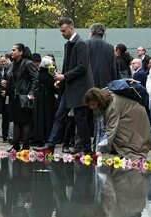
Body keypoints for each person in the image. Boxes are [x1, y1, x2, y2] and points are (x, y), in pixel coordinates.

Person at [38, 17, 94, 154]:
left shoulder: (80, 44)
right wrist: (61, 78)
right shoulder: (72, 43)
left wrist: (64, 76)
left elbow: (82, 67)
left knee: (79, 118)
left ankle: (87, 148)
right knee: (60, 115)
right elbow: (73, 67)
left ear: (71, 28)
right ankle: (50, 145)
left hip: (79, 88)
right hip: (70, 87)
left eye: (63, 31)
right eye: (61, 31)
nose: (62, 33)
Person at [84, 87, 151, 160]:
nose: (91, 107)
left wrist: (101, 150)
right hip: (132, 116)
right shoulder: (108, 98)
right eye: (89, 105)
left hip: (135, 119)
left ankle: (133, 157)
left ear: (99, 100)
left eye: (93, 104)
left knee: (121, 135)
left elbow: (111, 129)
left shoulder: (113, 106)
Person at [5, 43, 37, 151]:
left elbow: (35, 79)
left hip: (24, 96)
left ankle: (26, 146)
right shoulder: (12, 64)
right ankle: (16, 145)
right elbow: (10, 78)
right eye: (12, 50)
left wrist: (31, 93)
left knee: (25, 122)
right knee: (16, 121)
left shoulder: (28, 63)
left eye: (14, 50)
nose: (12, 52)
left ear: (21, 52)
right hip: (14, 96)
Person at [33, 56, 57, 149]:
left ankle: (40, 137)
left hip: (40, 98)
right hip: (48, 99)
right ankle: (47, 137)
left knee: (40, 118)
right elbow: (53, 86)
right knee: (48, 118)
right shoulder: (48, 74)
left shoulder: (39, 73)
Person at [87, 23, 118, 89]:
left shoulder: (86, 44)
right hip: (105, 85)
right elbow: (113, 68)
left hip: (88, 84)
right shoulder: (110, 47)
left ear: (92, 32)